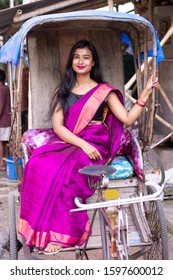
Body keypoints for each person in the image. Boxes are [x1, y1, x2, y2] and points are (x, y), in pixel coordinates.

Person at [18, 40, 158, 255]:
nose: (80, 61)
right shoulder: (62, 91)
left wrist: (145, 94)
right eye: (76, 57)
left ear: (93, 63)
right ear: (71, 62)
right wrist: (81, 144)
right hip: (71, 142)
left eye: (85, 57)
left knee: (70, 174)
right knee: (37, 163)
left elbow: (127, 119)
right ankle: (40, 230)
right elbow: (58, 126)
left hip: (95, 145)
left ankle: (62, 236)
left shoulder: (105, 92)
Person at [0, 69, 11, 171]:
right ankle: (6, 163)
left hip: (2, 121)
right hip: (7, 119)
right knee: (5, 143)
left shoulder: (0, 89)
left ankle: (1, 164)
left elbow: (0, 105)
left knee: (0, 142)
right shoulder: (7, 88)